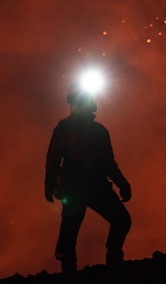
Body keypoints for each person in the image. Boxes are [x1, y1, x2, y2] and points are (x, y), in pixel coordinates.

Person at [45, 83, 132, 274]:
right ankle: (80, 272)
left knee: (119, 221)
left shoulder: (92, 132)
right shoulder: (74, 131)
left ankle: (108, 263)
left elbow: (108, 162)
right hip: (81, 187)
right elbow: (53, 158)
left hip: (86, 187)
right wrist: (122, 184)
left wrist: (122, 183)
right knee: (71, 235)